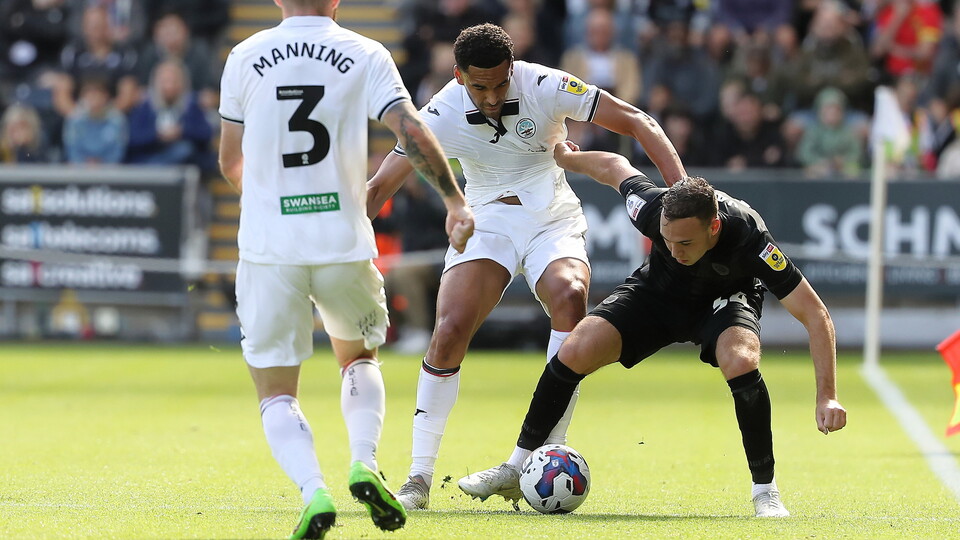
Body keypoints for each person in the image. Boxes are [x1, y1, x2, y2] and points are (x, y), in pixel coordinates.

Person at [366, 23, 686, 510]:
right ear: (458, 76)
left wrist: (682, 195)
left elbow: (639, 121)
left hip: (552, 218)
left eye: (501, 83)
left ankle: (539, 455)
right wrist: (336, 249)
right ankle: (418, 478)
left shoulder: (544, 84)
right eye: (480, 87)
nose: (493, 97)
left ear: (512, 68)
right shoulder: (439, 113)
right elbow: (379, 188)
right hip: (486, 221)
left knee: (570, 297)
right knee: (449, 329)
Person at [464, 141, 847, 517]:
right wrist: (566, 158)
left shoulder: (750, 239)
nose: (675, 250)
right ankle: (516, 466)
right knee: (577, 347)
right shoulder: (651, 207)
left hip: (724, 300)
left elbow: (816, 315)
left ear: (714, 226)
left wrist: (827, 396)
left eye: (686, 242)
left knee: (741, 360)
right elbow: (614, 167)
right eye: (666, 240)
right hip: (658, 294)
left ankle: (766, 492)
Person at [217, 1, 474, 538]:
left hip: (269, 248)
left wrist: (267, 197)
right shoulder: (365, 53)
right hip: (342, 240)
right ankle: (363, 461)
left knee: (277, 393)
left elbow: (229, 161)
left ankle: (314, 491)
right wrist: (454, 200)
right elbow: (411, 130)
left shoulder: (244, 55)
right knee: (358, 357)